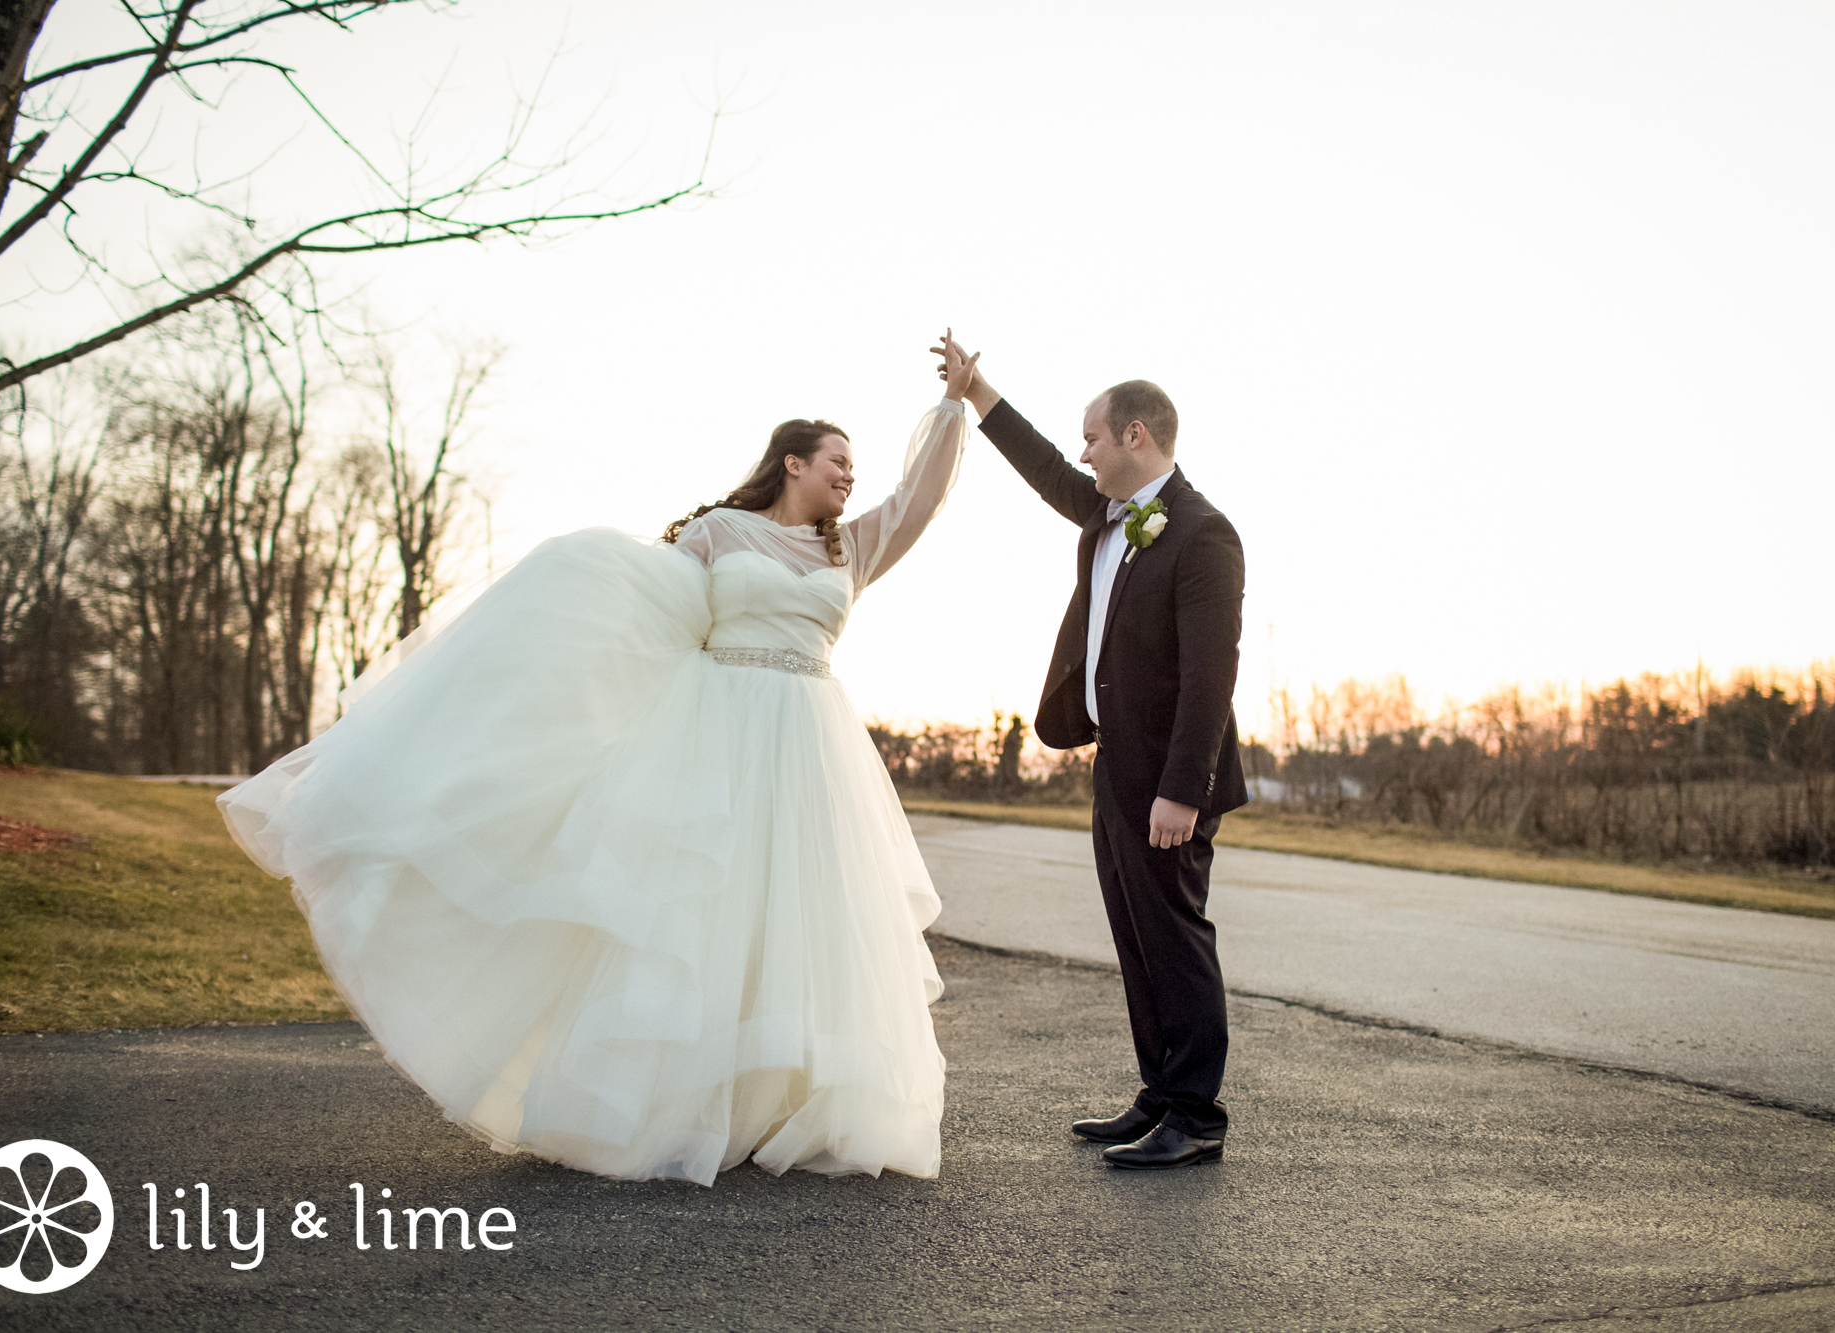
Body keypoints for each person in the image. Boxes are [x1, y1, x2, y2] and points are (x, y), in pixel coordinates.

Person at [218, 335, 983, 1186]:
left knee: (799, 916)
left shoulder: (849, 551)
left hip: (813, 747)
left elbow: (919, 498)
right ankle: (688, 1106)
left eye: (855, 464)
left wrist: (956, 405)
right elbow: (644, 620)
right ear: (792, 462)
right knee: (704, 914)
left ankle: (784, 1105)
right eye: (838, 460)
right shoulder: (716, 532)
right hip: (718, 733)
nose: (850, 475)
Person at [935, 334, 1246, 1170]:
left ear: (1134, 436)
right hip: (1116, 765)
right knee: (1135, 935)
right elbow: (1045, 468)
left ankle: (1197, 1115)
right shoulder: (1107, 513)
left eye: (1094, 437)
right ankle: (1159, 1093)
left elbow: (1213, 675)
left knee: (1175, 937)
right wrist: (977, 393)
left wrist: (1183, 788)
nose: (1084, 453)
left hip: (1171, 779)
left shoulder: (1203, 533)